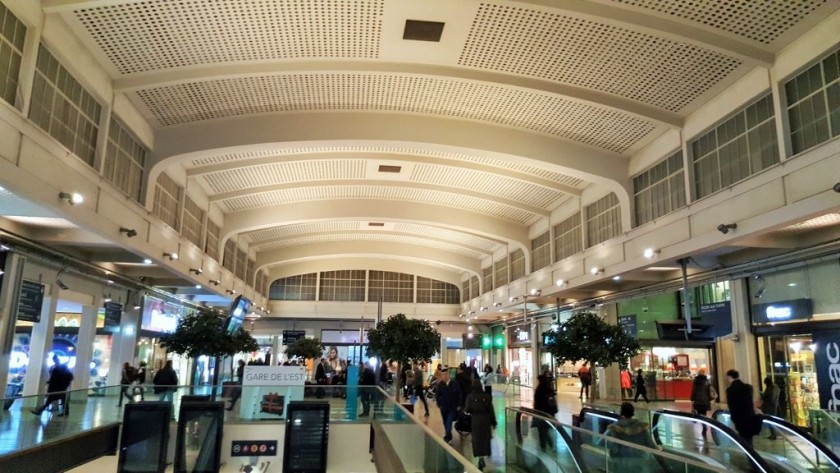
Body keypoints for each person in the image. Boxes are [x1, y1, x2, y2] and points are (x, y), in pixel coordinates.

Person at [604, 402, 660, 470]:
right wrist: (659, 448)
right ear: (633, 412)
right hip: (638, 463)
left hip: (620, 462)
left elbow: (606, 444)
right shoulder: (641, 427)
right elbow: (651, 446)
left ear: (621, 412)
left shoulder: (614, 427)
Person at [464, 379, 497, 471]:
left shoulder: (470, 397)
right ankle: (485, 455)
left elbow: (467, 409)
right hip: (485, 420)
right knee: (485, 439)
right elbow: (491, 410)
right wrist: (493, 422)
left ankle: (480, 458)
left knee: (477, 439)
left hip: (475, 420)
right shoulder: (487, 396)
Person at [726, 369, 759, 446]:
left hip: (739, 418)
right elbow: (751, 402)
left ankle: (750, 455)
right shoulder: (748, 387)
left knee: (744, 439)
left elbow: (731, 405)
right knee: (749, 438)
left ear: (730, 377)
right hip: (750, 416)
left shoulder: (730, 390)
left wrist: (733, 417)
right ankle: (751, 454)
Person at [533, 370, 558, 451]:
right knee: (544, 430)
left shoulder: (539, 389)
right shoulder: (548, 389)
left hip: (541, 412)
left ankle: (546, 446)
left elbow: (537, 403)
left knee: (542, 430)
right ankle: (549, 446)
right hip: (548, 413)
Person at [435, 368, 461, 443]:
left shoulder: (455, 383)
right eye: (443, 375)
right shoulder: (440, 384)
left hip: (452, 407)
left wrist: (459, 404)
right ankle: (448, 435)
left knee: (449, 422)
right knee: (445, 422)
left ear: (449, 375)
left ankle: (448, 437)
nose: (445, 376)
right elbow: (437, 395)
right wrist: (439, 403)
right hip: (443, 407)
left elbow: (459, 394)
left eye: (446, 374)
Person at [690, 368, 715, 436]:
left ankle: (703, 426)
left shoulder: (696, 381)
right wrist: (710, 398)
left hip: (698, 401)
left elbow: (694, 391)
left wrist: (692, 399)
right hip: (705, 401)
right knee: (704, 414)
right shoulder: (706, 381)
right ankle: (704, 425)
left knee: (699, 414)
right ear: (703, 373)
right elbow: (709, 391)